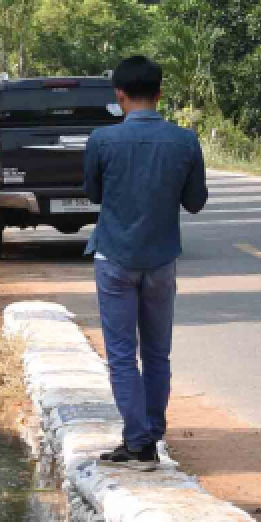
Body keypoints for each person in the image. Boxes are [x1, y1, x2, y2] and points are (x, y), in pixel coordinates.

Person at [82, 55, 208, 468]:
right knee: (157, 353)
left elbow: (94, 194)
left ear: (120, 95)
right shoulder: (185, 141)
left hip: (114, 256)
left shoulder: (102, 140)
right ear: (160, 93)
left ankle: (137, 441)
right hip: (161, 259)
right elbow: (195, 203)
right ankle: (150, 436)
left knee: (121, 353)